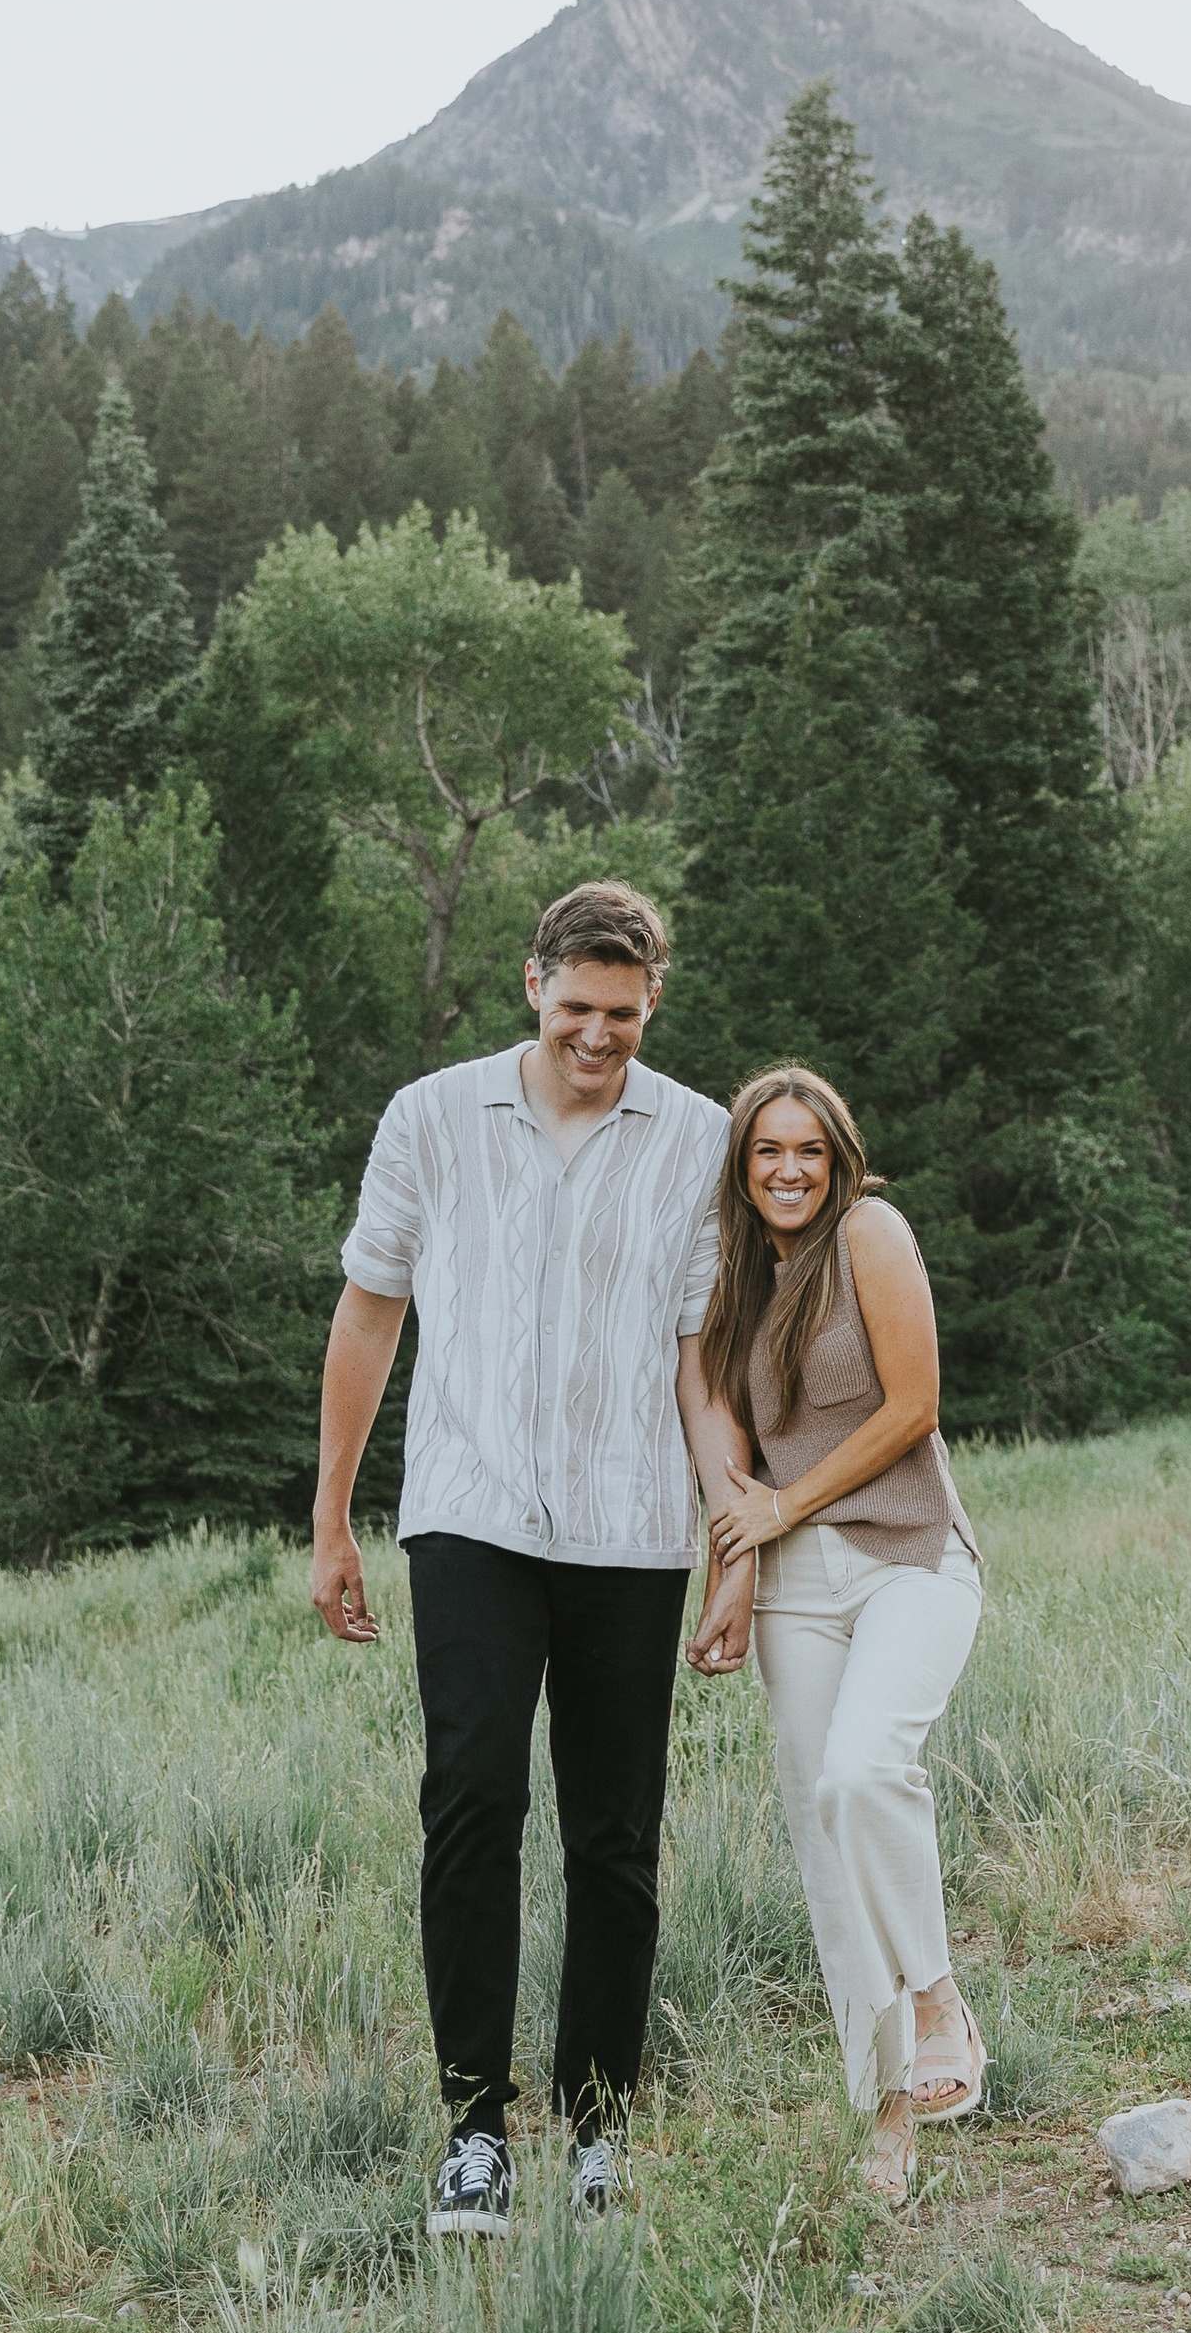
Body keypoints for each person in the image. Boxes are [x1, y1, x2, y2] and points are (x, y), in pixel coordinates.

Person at [312, 880, 753, 2238]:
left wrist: (731, 1535)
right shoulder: (434, 1119)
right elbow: (371, 1314)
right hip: (471, 1517)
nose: (598, 1037)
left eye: (622, 1016)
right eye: (576, 1011)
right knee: (472, 1806)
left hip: (630, 1528)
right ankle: (475, 2130)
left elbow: (701, 1357)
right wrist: (331, 1515)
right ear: (532, 987)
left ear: (653, 1003)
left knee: (616, 1838)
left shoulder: (699, 1138)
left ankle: (597, 2127)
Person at [701, 1065, 985, 2205]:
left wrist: (785, 1502)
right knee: (821, 1837)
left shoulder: (870, 1231)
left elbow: (912, 1405)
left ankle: (933, 1995)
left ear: (838, 1159)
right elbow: (726, 1462)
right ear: (741, 1164)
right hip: (790, 1583)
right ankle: (885, 2118)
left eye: (806, 1149)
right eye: (766, 1150)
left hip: (907, 1552)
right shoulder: (728, 1285)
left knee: (866, 1771)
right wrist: (731, 1574)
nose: (786, 1169)